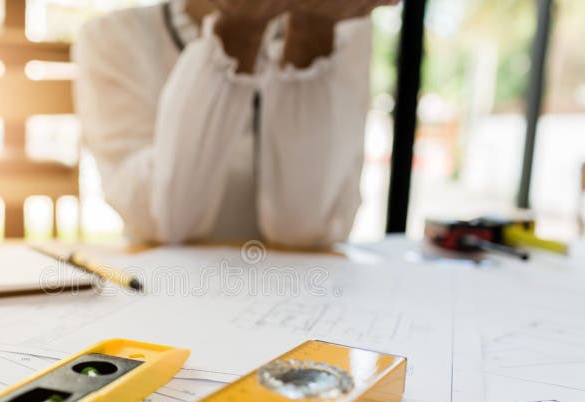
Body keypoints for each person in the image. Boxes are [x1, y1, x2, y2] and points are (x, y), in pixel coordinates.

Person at [74, 0, 396, 247]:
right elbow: (162, 222)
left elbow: (308, 229)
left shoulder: (345, 26)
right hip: (167, 290)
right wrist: (239, 31)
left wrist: (312, 35)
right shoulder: (112, 38)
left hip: (304, 295)